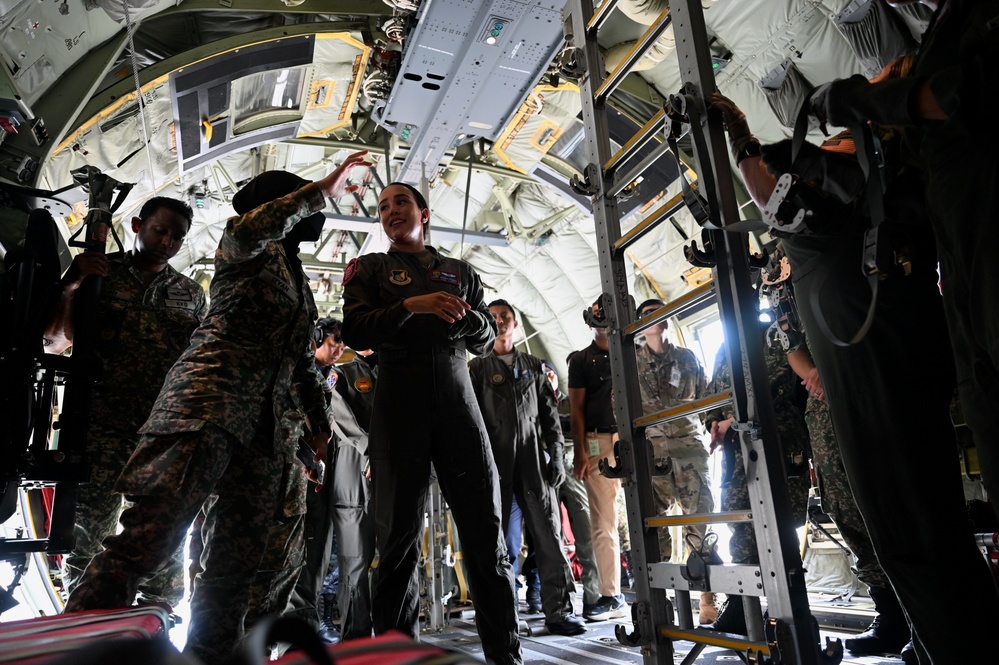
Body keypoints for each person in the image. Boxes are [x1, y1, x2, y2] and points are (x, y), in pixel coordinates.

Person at [715, 72, 999, 663]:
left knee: (915, 545)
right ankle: (943, 642)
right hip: (903, 390)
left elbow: (782, 204)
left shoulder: (853, 212)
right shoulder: (900, 202)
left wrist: (743, 141)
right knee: (931, 542)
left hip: (880, 404)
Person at [63, 151, 372, 665]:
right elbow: (257, 228)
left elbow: (298, 362)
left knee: (234, 568)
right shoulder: (244, 247)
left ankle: (212, 658)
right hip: (206, 410)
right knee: (147, 540)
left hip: (265, 434)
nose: (309, 217)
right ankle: (76, 652)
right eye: (294, 203)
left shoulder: (296, 280)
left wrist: (319, 429)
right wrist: (321, 189)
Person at [340, 182, 522, 665]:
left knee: (486, 537)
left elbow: (486, 336)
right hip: (399, 408)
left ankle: (507, 655)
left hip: (459, 407)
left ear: (423, 212)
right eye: (382, 206)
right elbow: (355, 329)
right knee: (397, 543)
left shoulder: (461, 272)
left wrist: (468, 322)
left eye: (401, 202)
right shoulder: (372, 269)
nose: (390, 211)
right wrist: (408, 306)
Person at [44, 196, 205, 609]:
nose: (167, 241)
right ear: (137, 225)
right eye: (160, 230)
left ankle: (157, 621)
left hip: (159, 433)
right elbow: (57, 342)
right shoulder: (99, 275)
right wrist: (69, 287)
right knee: (87, 534)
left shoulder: (190, 294)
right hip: (99, 426)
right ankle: (80, 626)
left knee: (160, 538)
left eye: (177, 236)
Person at [468, 299, 586, 636]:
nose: (500, 321)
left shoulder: (536, 367)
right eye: (493, 317)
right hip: (496, 468)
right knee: (500, 542)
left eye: (506, 316)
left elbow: (550, 417)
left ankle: (560, 612)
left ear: (516, 324)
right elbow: (470, 422)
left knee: (550, 537)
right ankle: (503, 616)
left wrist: (558, 457)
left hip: (535, 465)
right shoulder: (475, 370)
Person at [633, 298, 716, 623]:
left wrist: (715, 426)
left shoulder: (686, 357)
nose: (654, 318)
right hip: (652, 452)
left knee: (700, 521)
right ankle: (661, 600)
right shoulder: (631, 362)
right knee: (655, 527)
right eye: (646, 313)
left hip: (689, 448)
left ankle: (707, 597)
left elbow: (706, 395)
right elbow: (620, 408)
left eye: (659, 312)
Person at [284, 316, 345, 644]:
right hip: (292, 470)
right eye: (334, 341)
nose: (338, 349)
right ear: (317, 338)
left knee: (321, 550)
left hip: (321, 474)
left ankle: (310, 620)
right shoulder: (293, 371)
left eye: (342, 344)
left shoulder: (336, 379)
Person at [567, 302, 628, 622]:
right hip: (599, 442)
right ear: (589, 320)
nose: (602, 321)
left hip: (636, 438)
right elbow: (576, 409)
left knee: (655, 515)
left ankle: (664, 585)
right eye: (597, 316)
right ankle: (610, 594)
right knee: (603, 523)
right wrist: (580, 450)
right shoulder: (580, 360)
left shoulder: (633, 350)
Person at [327, 345, 378, 641]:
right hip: (352, 473)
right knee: (354, 562)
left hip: (393, 470)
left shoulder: (402, 373)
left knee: (397, 562)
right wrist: (371, 450)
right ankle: (355, 641)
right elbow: (339, 415)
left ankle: (397, 636)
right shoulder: (341, 375)